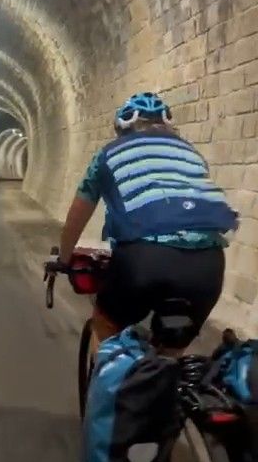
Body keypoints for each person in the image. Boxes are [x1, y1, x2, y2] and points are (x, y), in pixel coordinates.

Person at [59, 92, 239, 352]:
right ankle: (168, 370)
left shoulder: (109, 154)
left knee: (106, 323)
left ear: (122, 129)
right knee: (172, 348)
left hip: (144, 261)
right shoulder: (190, 153)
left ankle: (109, 374)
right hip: (208, 266)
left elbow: (77, 216)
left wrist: (64, 259)